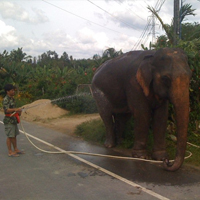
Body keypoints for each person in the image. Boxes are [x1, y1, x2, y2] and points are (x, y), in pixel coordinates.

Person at [3, 84, 24, 157]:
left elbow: (14, 109)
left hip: (13, 120)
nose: (13, 91)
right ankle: (10, 151)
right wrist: (15, 109)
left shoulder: (12, 99)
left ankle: (15, 149)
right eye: (12, 90)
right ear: (7, 91)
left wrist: (18, 112)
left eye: (13, 90)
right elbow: (6, 110)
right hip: (8, 121)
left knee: (14, 135)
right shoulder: (6, 99)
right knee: (10, 136)